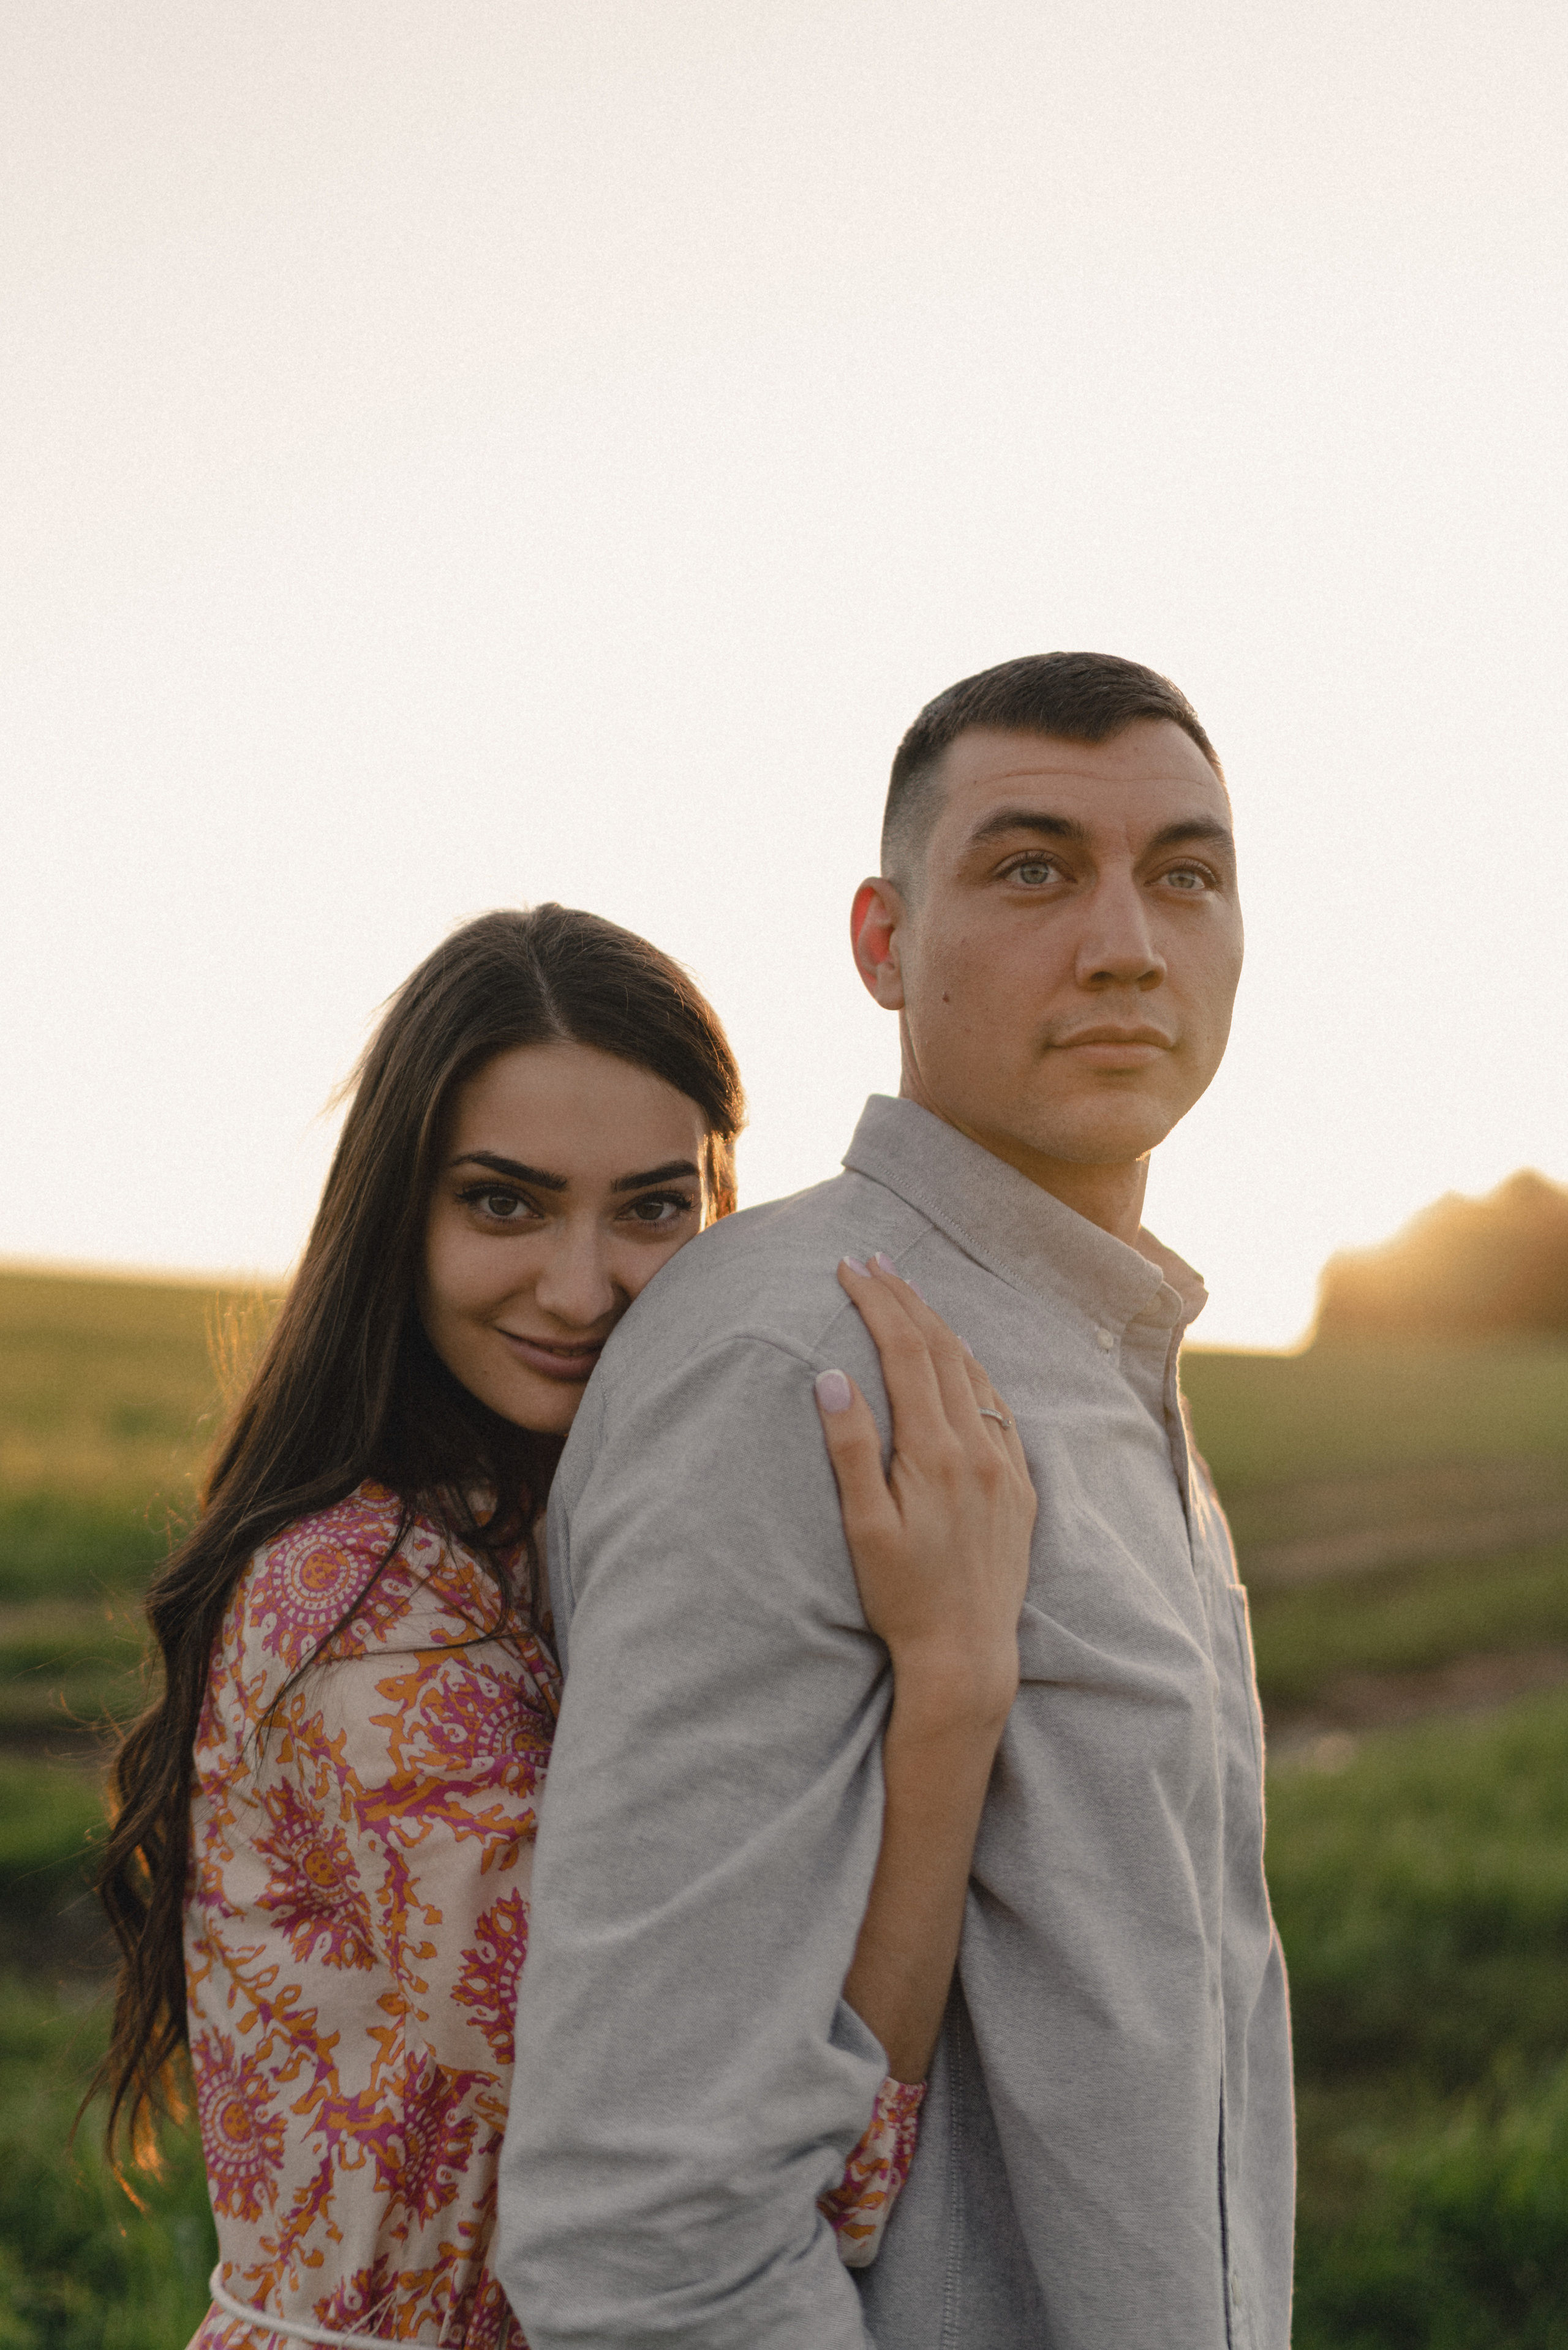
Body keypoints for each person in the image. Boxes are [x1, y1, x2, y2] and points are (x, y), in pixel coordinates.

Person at [91, 905, 1036, 2348]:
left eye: (654, 1208)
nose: (581, 1286)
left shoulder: (575, 1547)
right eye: (504, 1201)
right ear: (395, 1209)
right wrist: (955, 1684)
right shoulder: (363, 1609)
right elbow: (706, 2162)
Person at [496, 652, 1294, 2350]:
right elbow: (647, 2231)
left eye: (1187, 875)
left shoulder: (1102, 1341)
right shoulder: (797, 1361)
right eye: (1030, 866)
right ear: (882, 941)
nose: (1126, 943)